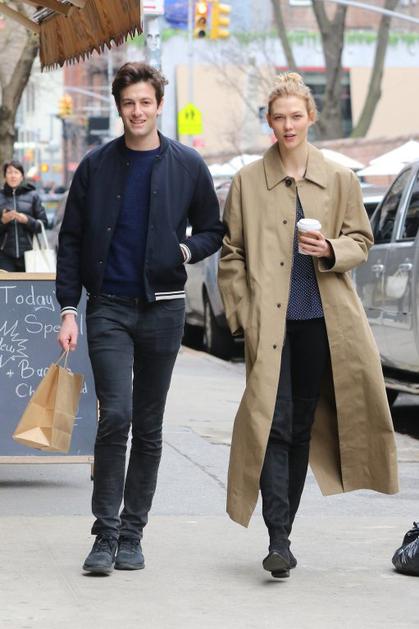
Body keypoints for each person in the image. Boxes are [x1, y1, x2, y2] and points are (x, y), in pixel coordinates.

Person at [218, 72, 399, 579]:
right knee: (270, 423)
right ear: (269, 122)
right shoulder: (248, 181)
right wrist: (243, 317)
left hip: (321, 321)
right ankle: (277, 538)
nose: (288, 125)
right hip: (270, 325)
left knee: (300, 427)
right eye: (279, 117)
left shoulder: (339, 178)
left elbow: (362, 241)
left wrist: (331, 249)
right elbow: (231, 255)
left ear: (311, 118)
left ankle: (284, 533)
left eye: (296, 116)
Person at [56, 62, 223, 575]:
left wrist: (185, 250)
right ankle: (104, 535)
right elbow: (71, 240)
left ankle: (132, 534)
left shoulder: (188, 164)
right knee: (116, 416)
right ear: (118, 107)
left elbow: (213, 229)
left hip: (164, 309)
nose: (137, 111)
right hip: (108, 307)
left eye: (145, 102)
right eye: (128, 103)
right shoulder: (95, 166)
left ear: (159, 105)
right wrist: (69, 308)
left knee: (149, 425)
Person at [0, 160, 48, 271]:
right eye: (9, 172)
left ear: (22, 176)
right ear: (5, 176)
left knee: (29, 282)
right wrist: (3, 221)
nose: (13, 176)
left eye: (16, 172)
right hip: (4, 255)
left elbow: (43, 224)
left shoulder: (33, 196)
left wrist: (27, 220)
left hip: (30, 253)